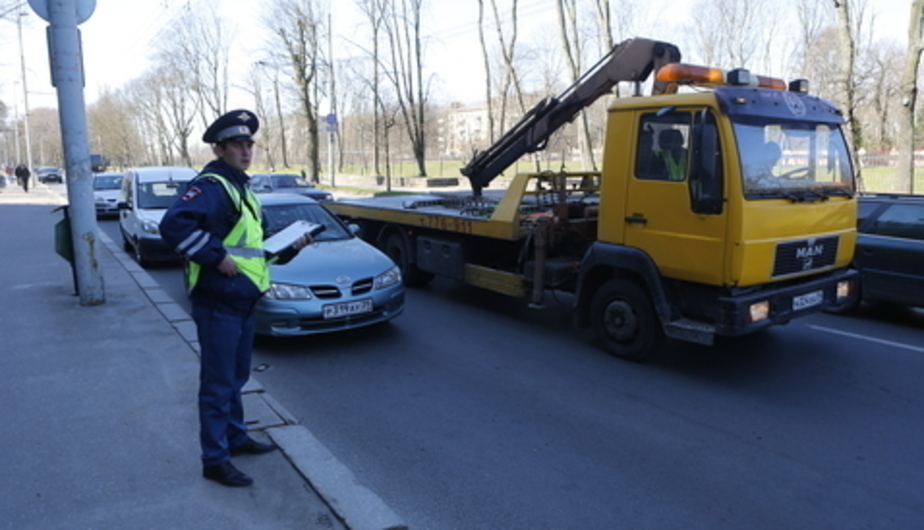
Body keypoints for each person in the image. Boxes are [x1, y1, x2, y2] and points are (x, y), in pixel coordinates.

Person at [159, 109, 310, 487]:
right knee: (218, 383)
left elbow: (252, 249)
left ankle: (236, 437)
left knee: (236, 377)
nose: (246, 151)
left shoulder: (241, 187)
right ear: (219, 149)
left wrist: (290, 247)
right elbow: (173, 225)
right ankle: (214, 459)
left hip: (242, 301)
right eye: (237, 145)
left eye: (249, 144)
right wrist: (215, 256)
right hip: (218, 303)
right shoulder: (212, 186)